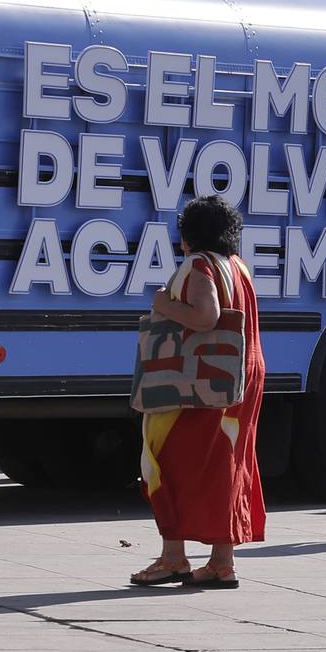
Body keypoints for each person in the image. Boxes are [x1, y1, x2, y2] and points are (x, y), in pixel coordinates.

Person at [130, 196, 267, 587]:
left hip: (196, 382)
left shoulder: (199, 265)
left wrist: (161, 303)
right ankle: (222, 563)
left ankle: (173, 556)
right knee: (227, 465)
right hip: (241, 376)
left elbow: (204, 317)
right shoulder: (237, 267)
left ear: (188, 236)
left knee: (164, 460)